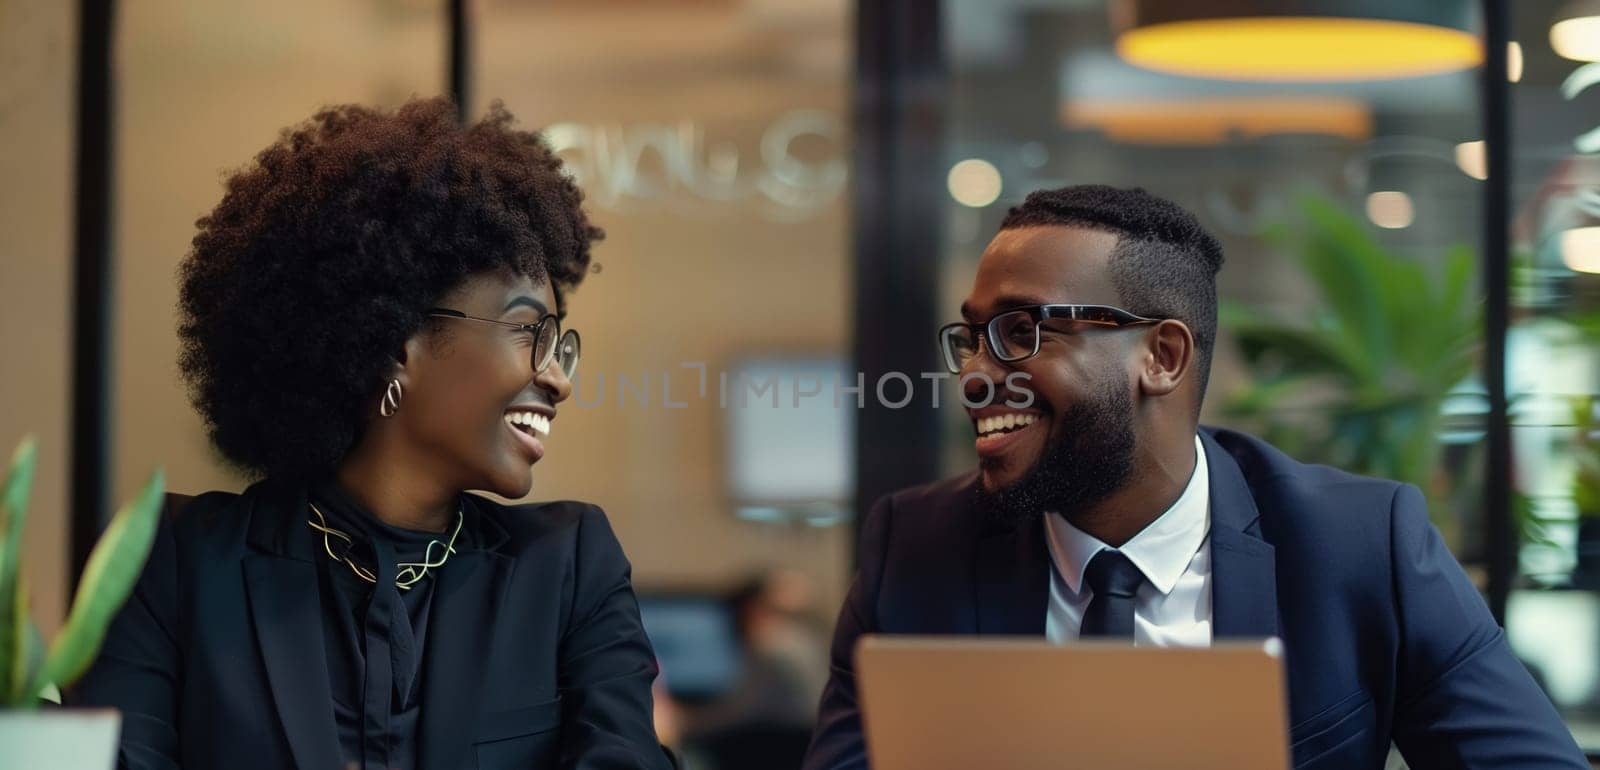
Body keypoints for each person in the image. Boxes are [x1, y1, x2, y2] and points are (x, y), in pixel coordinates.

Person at [802, 185, 1587, 769]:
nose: (976, 375)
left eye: (1018, 331)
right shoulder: (916, 544)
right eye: (971, 338)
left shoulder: (1360, 544)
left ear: (1162, 357)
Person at [67, 97, 674, 770]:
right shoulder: (178, 564)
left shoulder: (568, 568)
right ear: (393, 343)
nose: (557, 379)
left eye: (561, 346)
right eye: (531, 331)